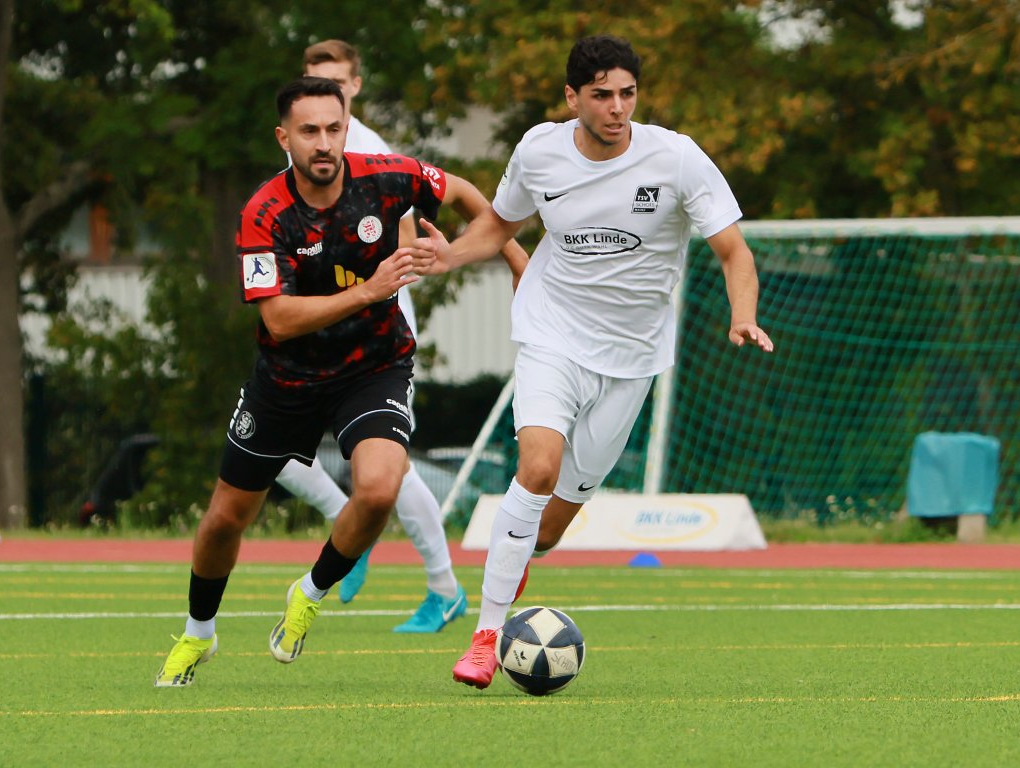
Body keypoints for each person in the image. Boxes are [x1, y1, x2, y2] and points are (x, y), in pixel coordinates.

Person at [408, 35, 775, 689]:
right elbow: (499, 225)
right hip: (552, 335)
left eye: (627, 94)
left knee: (547, 531)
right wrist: (450, 255)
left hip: (632, 360)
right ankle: (485, 637)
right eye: (602, 95)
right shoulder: (539, 151)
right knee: (537, 468)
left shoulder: (676, 158)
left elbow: (733, 251)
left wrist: (742, 314)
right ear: (572, 97)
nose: (617, 108)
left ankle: (518, 558)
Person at [155, 76, 523, 687]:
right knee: (224, 518)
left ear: (346, 128)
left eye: (334, 128)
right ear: (284, 138)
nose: (323, 143)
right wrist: (370, 290)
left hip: (373, 367)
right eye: (309, 131)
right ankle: (199, 634)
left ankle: (310, 592)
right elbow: (278, 318)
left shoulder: (386, 177)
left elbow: (460, 192)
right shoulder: (264, 213)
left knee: (378, 489)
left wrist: (507, 256)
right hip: (286, 379)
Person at [271, 39, 493, 632]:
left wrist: (502, 254)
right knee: (275, 452)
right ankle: (350, 524)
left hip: (376, 327)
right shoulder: (305, 141)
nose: (326, 94)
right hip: (322, 323)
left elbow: (417, 231)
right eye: (314, 79)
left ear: (356, 88)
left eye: (337, 83)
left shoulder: (365, 148)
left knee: (391, 468)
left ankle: (443, 587)